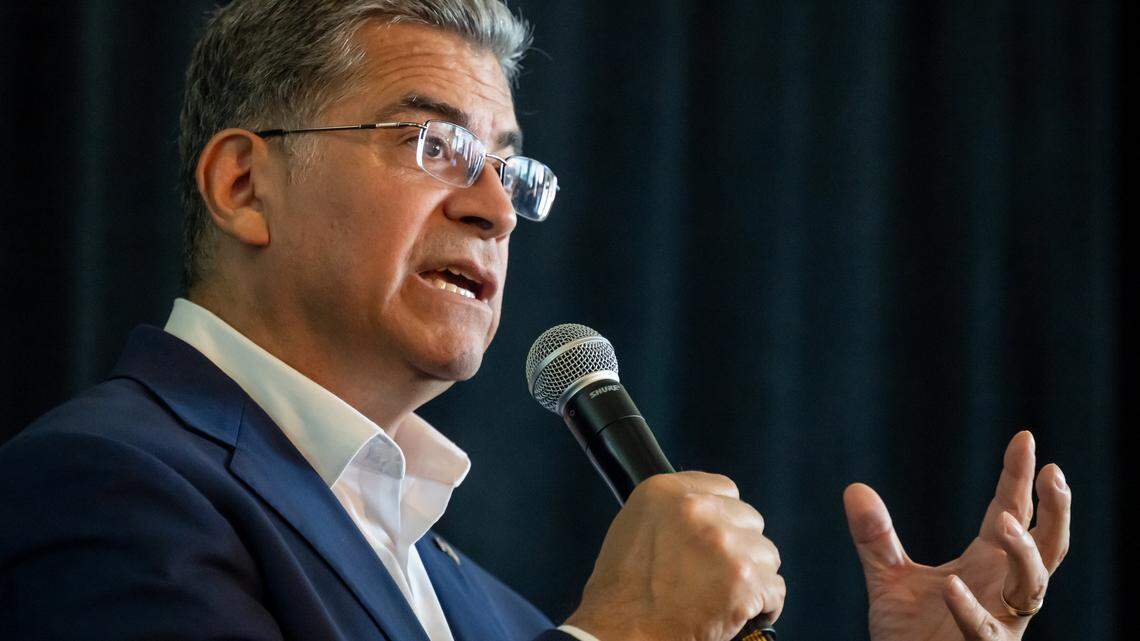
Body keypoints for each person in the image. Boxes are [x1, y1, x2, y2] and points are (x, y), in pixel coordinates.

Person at [0, 2, 1070, 640]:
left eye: (509, 166)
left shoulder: (470, 597)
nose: (494, 206)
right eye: (432, 145)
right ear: (243, 183)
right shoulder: (100, 486)